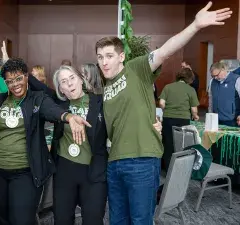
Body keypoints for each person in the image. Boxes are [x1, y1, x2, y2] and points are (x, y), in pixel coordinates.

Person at [95, 3, 231, 224]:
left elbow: (167, 49)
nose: (104, 61)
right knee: (117, 220)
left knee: (141, 220)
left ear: (121, 57)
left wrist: (195, 25)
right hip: (115, 162)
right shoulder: (105, 86)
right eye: (100, 57)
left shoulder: (136, 69)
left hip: (141, 160)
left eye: (109, 55)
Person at [0, 57, 90, 225]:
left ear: (27, 77)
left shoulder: (37, 99)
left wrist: (68, 116)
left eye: (19, 78)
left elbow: (52, 110)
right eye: (10, 81)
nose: (15, 84)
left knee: (21, 219)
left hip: (25, 172)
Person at [29, 65, 108, 225]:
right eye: (64, 82)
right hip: (65, 171)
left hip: (94, 171)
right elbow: (39, 86)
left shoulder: (99, 101)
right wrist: (20, 69)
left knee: (93, 220)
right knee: (62, 220)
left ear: (81, 79)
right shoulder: (59, 104)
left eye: (72, 78)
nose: (70, 84)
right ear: (61, 90)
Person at [159, 68, 199, 170]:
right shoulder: (190, 89)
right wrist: (195, 116)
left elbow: (161, 103)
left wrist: (167, 110)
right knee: (181, 144)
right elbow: (194, 109)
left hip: (168, 118)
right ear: (190, 79)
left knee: (168, 144)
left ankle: (167, 168)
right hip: (183, 120)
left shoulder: (168, 87)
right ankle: (179, 170)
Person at [209, 61, 240, 127]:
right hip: (215, 119)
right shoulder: (212, 82)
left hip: (232, 119)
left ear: (223, 70)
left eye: (217, 75)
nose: (215, 78)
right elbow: (211, 98)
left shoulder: (236, 79)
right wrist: (210, 113)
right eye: (213, 76)